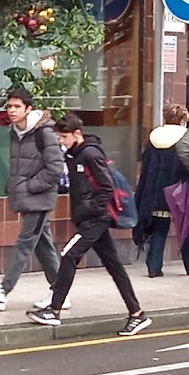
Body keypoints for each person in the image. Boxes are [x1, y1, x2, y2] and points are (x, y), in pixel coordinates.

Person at [27, 113, 152, 336]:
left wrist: (92, 210)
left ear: (77, 134)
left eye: (64, 137)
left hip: (96, 219)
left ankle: (54, 310)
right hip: (89, 218)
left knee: (69, 255)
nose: (61, 141)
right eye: (59, 137)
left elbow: (106, 188)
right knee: (114, 266)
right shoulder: (74, 155)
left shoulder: (90, 154)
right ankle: (137, 314)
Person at [0, 88, 65, 312]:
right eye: (9, 106)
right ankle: (60, 291)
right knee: (43, 245)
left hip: (39, 198)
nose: (12, 111)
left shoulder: (43, 132)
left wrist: (29, 187)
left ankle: (2, 292)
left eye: (17, 106)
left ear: (29, 108)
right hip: (26, 197)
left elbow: (55, 169)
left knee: (25, 244)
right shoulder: (15, 132)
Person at [135, 104, 189, 277]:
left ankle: (153, 266)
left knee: (159, 228)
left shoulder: (153, 138)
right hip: (179, 191)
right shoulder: (185, 139)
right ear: (182, 120)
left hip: (154, 191)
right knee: (186, 229)